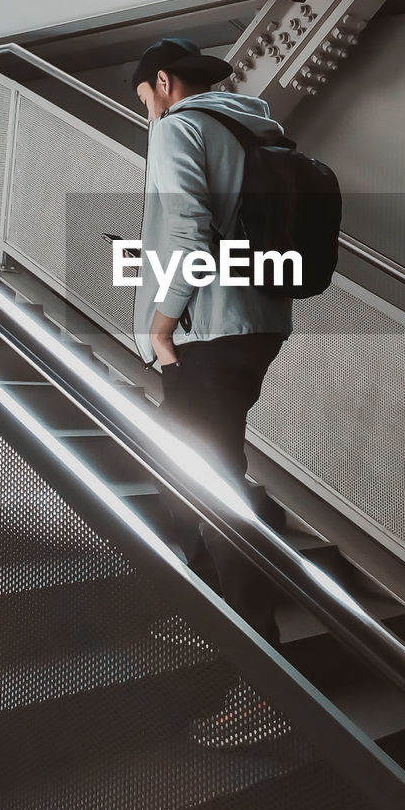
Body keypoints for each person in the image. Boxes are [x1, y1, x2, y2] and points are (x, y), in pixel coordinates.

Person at [130, 37, 294, 658]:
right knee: (181, 470)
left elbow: (188, 235)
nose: (147, 109)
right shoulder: (251, 130)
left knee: (212, 488)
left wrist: (161, 326)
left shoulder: (178, 129)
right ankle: (207, 601)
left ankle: (265, 676)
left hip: (208, 329)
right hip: (257, 322)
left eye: (144, 97)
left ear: (163, 83)